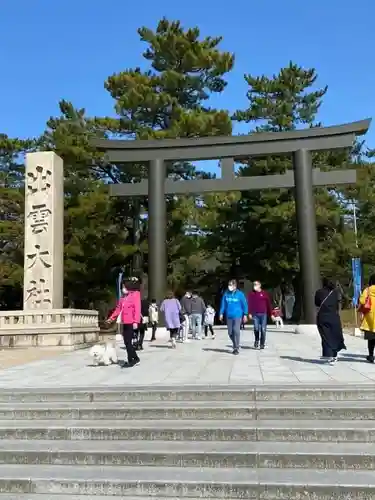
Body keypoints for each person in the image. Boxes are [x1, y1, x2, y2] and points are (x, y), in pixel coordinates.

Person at [107, 278, 141, 366]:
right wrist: (111, 318)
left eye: (124, 287)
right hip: (124, 321)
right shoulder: (123, 298)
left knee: (128, 342)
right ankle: (135, 358)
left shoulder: (135, 295)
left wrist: (135, 322)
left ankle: (132, 360)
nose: (123, 289)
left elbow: (137, 309)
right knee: (126, 342)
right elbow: (118, 309)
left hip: (131, 322)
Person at [315, 277, 346, 365]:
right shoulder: (336, 292)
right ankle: (334, 354)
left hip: (323, 316)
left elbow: (316, 303)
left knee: (325, 335)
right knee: (334, 334)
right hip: (334, 316)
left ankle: (328, 355)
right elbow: (338, 303)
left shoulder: (319, 292)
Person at [219, 279, 248, 355]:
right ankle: (235, 344)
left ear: (235, 286)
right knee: (230, 332)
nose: (229, 286)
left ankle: (236, 348)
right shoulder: (226, 294)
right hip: (229, 315)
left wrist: (245, 314)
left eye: (231, 285)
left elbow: (244, 304)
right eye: (229, 285)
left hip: (237, 315)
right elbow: (223, 305)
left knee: (236, 330)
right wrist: (221, 313)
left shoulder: (240, 294)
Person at [248, 281, 273, 349]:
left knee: (263, 329)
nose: (254, 286)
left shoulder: (264, 293)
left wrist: (271, 314)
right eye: (254, 284)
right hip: (255, 314)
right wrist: (249, 313)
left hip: (263, 314)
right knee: (256, 328)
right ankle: (256, 340)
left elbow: (268, 304)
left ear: (259, 285)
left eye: (256, 284)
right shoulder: (251, 294)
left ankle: (262, 343)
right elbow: (250, 304)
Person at [358, 274, 375, 363]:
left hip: (370, 316)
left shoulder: (367, 290)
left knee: (371, 338)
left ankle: (371, 356)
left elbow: (362, 301)